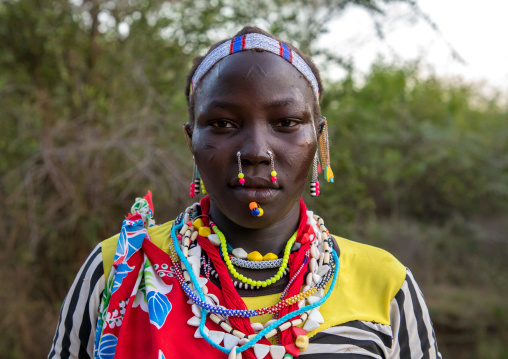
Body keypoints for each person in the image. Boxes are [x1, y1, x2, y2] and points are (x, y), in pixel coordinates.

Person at [48, 26, 441, 359]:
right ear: (191, 142)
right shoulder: (119, 269)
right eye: (221, 124)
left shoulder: (385, 283)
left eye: (286, 122)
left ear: (320, 140)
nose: (255, 151)